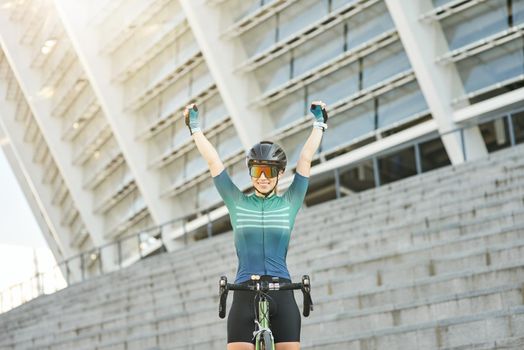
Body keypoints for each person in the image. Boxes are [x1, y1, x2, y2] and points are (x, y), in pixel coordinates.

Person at [184, 101, 328, 350]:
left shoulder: (289, 202)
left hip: (282, 289)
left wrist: (319, 124)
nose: (262, 178)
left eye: (269, 172)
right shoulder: (237, 202)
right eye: (257, 171)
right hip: (244, 291)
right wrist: (195, 127)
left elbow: (305, 159)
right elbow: (214, 163)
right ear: (251, 172)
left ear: (280, 174)